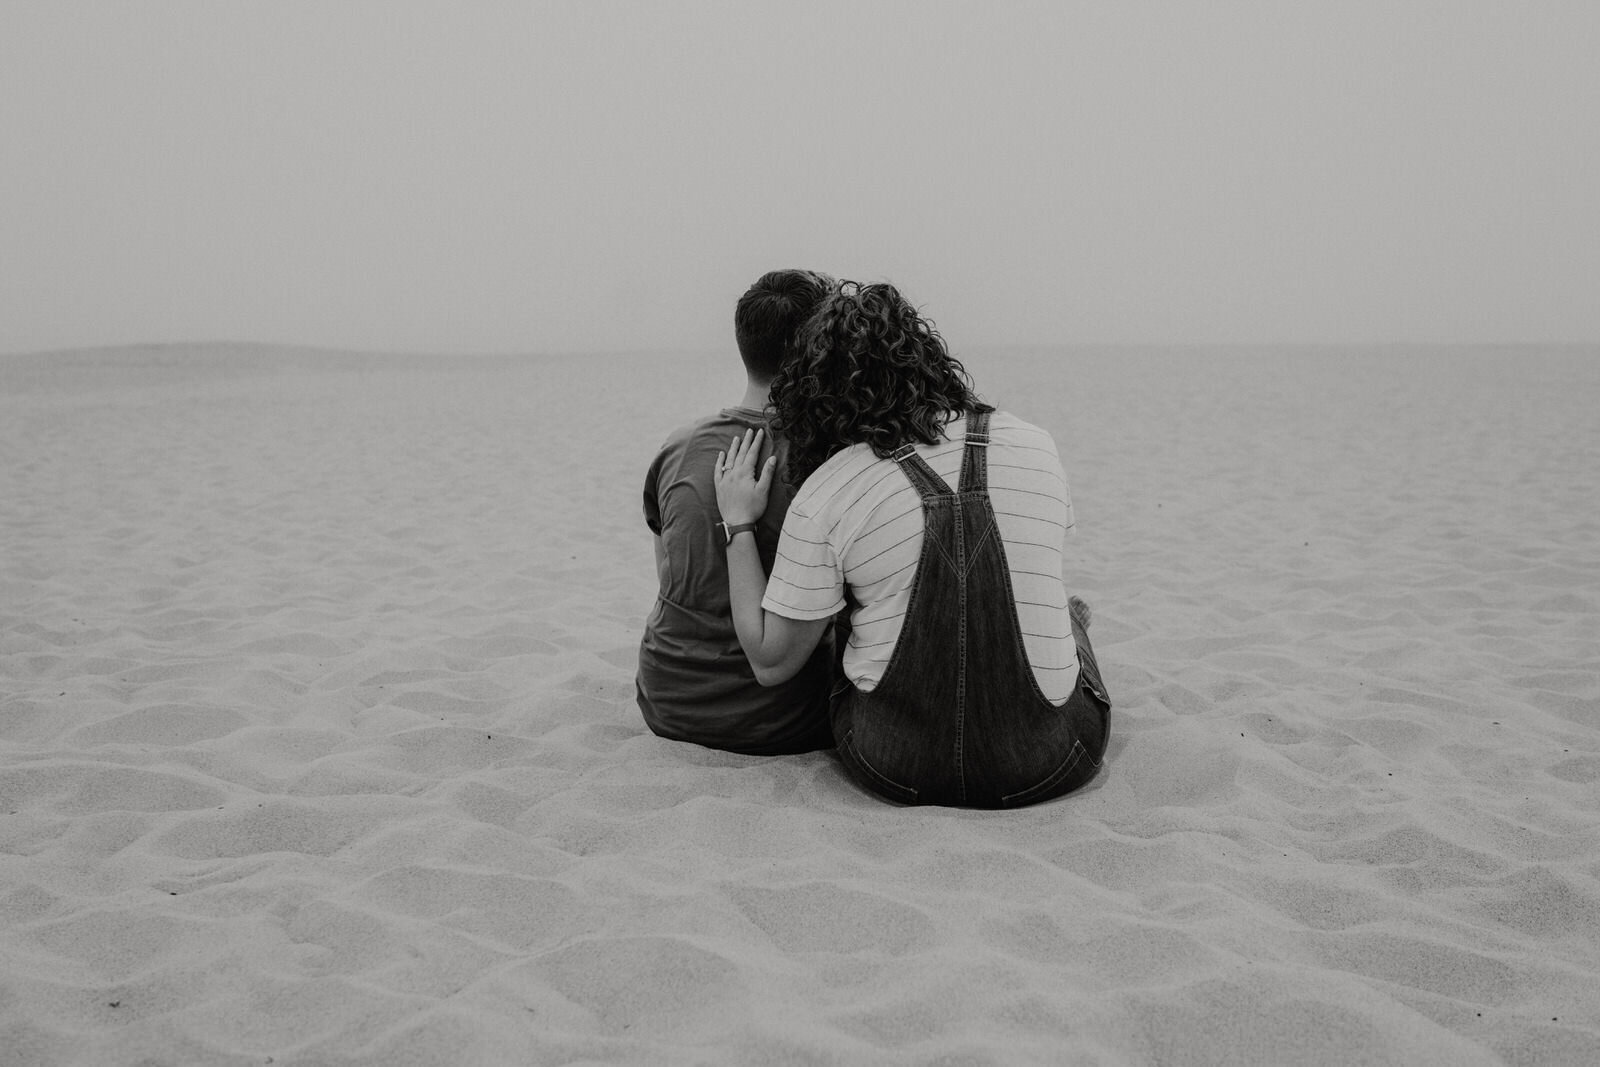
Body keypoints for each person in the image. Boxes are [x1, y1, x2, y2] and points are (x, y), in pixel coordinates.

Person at [711, 280, 1110, 807]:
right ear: (928, 358)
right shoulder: (1036, 444)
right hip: (1053, 760)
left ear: (813, 390)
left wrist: (738, 527)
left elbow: (771, 662)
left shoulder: (829, 487)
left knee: (849, 609)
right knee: (1060, 609)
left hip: (896, 766)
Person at [635, 269, 836, 755]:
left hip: (666, 700)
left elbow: (669, 573)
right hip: (781, 720)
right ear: (822, 349)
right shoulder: (829, 458)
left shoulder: (679, 447)